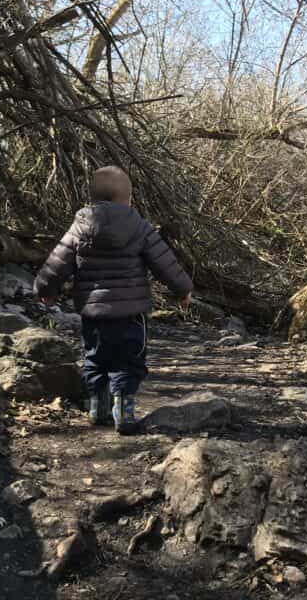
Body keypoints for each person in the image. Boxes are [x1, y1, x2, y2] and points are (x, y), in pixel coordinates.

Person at [34, 166, 192, 434]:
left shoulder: (81, 226)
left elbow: (57, 262)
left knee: (95, 359)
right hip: (131, 315)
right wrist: (183, 289)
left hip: (94, 315)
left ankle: (99, 408)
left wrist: (46, 289)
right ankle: (124, 411)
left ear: (93, 199)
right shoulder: (139, 227)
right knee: (129, 362)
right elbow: (165, 263)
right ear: (128, 198)